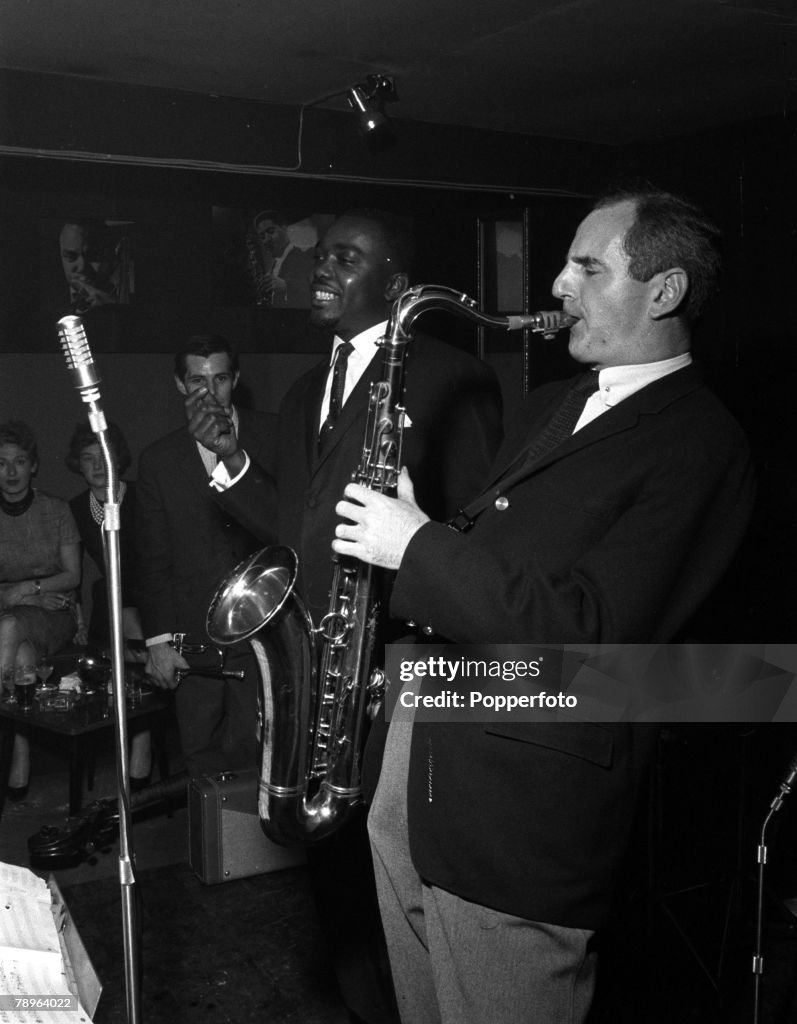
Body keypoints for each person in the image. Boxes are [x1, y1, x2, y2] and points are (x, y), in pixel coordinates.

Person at [330, 189, 757, 1024]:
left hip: (521, 817)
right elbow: (506, 555)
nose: (558, 284)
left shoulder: (703, 446)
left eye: (587, 267)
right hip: (429, 769)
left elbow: (594, 636)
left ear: (663, 292)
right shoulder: (558, 399)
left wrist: (415, 547)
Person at [187, 208, 503, 1024]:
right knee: (335, 885)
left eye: (346, 258)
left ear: (397, 288)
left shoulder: (445, 377)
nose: (319, 269)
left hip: (396, 673)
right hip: (319, 670)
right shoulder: (301, 390)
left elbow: (470, 535)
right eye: (319, 255)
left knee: (397, 883)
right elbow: (297, 527)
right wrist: (229, 463)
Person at [135, 335, 276, 779]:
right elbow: (153, 558)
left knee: (257, 764)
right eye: (198, 381)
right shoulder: (158, 460)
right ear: (180, 384)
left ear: (235, 380)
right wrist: (158, 642)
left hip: (263, 639)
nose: (210, 394)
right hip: (192, 643)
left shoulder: (276, 436)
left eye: (220, 380)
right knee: (200, 765)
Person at [66, 420, 151, 788]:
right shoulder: (75, 508)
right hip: (109, 601)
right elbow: (76, 572)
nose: (97, 466)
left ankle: (141, 743)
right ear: (78, 465)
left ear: (117, 457)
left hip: (149, 594)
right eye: (88, 459)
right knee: (114, 604)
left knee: (130, 618)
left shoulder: (143, 496)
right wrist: (78, 618)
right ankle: (132, 744)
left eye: (103, 456)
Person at [0, 420, 81, 800]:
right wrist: (26, 596)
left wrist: (31, 591)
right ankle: (20, 750)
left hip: (54, 611)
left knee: (12, 626)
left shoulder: (56, 510)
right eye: (1, 463)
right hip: (11, 611)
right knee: (20, 653)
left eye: (19, 461)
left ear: (33, 465)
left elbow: (72, 576)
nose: (11, 472)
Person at [249, 209, 316, 308]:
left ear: (284, 228)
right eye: (262, 236)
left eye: (271, 231)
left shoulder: (305, 255)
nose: (266, 239)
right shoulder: (273, 266)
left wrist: (285, 286)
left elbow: (313, 289)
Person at [58, 219, 128, 314]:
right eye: (71, 256)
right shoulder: (49, 298)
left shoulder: (121, 293)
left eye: (91, 256)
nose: (82, 267)